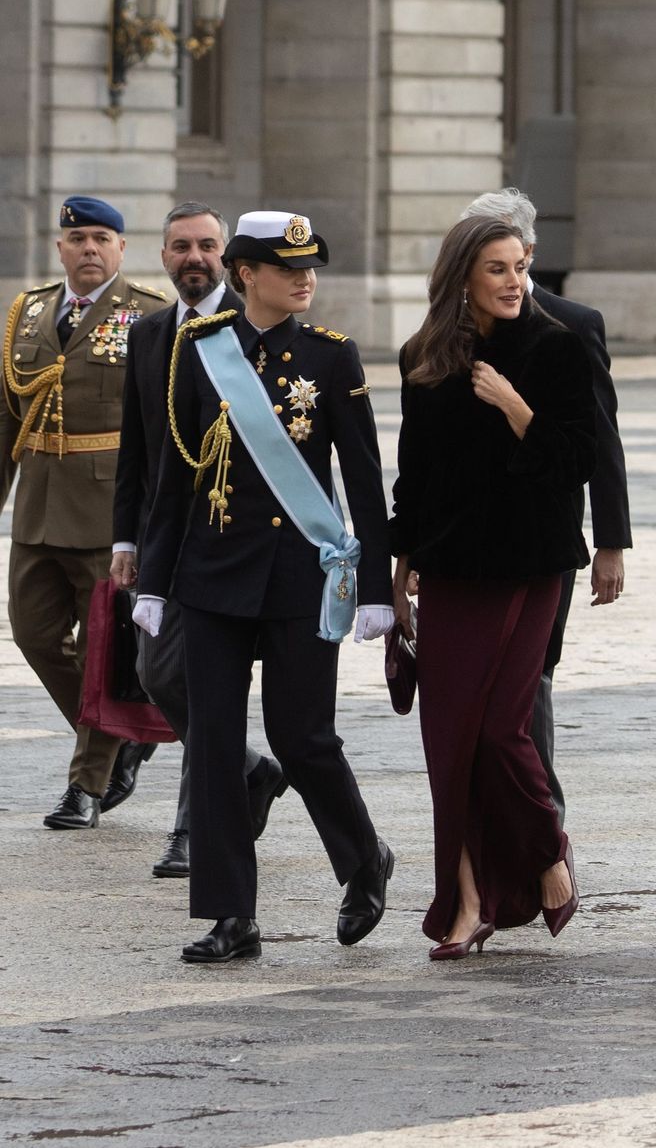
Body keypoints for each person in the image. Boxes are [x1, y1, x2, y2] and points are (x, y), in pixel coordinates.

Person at [136, 211, 395, 963]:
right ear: (245, 274)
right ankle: (230, 915)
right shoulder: (200, 353)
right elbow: (174, 478)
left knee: (303, 737)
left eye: (311, 266)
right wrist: (154, 580)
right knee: (214, 742)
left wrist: (375, 586)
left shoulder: (333, 357)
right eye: (288, 268)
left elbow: (366, 484)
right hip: (211, 577)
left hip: (297, 577)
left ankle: (363, 860)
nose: (305, 278)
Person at [390, 215, 595, 960]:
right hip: (448, 568)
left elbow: (576, 459)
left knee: (500, 731)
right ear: (463, 278)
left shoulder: (557, 348)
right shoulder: (422, 355)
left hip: (530, 563)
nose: (514, 282)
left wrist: (514, 406)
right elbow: (412, 470)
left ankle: (545, 854)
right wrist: (401, 560)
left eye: (519, 268)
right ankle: (467, 902)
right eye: (498, 270)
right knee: (450, 744)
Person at [110, 201, 287, 879]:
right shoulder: (151, 334)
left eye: (207, 245)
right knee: (159, 674)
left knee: (212, 681)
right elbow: (137, 449)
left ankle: (192, 826)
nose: (194, 257)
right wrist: (124, 538)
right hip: (163, 541)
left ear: (231, 259)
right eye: (181, 246)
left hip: (233, 541)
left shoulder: (254, 331)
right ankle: (247, 769)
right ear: (163, 256)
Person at [460, 188, 631, 825]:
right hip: (468, 537)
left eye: (510, 256)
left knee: (532, 675)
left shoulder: (573, 324)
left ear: (528, 253)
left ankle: (540, 817)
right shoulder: (448, 328)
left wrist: (610, 541)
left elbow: (602, 439)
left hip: (547, 534)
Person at [0, 195, 166, 830]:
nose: (90, 248)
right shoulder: (28, 313)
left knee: (104, 650)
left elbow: (159, 426)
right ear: (60, 247)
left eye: (102, 238)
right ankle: (125, 730)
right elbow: (7, 420)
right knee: (34, 634)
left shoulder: (148, 316)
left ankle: (86, 786)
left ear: (122, 249)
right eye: (79, 239)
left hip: (108, 515)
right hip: (38, 506)